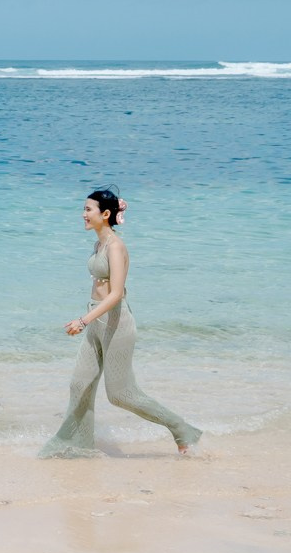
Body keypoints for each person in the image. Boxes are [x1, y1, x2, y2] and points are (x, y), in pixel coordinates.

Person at [39, 186, 201, 458]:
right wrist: (89, 318)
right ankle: (76, 446)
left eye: (88, 210)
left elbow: (115, 294)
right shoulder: (98, 244)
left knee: (120, 394)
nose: (83, 215)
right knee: (80, 384)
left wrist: (82, 320)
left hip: (116, 323)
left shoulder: (116, 247)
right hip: (96, 319)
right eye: (84, 209)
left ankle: (181, 429)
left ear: (104, 214)